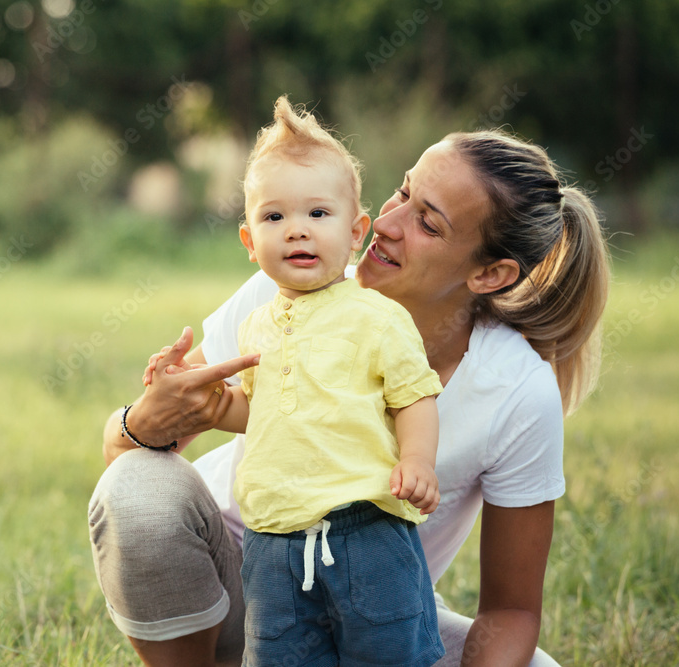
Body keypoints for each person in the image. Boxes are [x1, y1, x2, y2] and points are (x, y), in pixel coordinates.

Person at [88, 125, 610, 666]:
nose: (386, 223)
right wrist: (144, 421)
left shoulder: (517, 392)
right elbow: (121, 460)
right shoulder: (292, 282)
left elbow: (512, 612)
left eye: (426, 222)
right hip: (239, 583)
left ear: (491, 273)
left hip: (373, 613)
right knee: (136, 487)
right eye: (404, 192)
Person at [160, 95, 445, 666]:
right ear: (249, 241)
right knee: (281, 656)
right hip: (272, 544)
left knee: (386, 653)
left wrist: (417, 460)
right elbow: (258, 411)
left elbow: (414, 395)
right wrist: (214, 403)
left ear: (356, 229)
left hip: (366, 530)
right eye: (274, 217)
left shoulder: (377, 315)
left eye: (318, 214)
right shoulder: (257, 322)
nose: (297, 231)